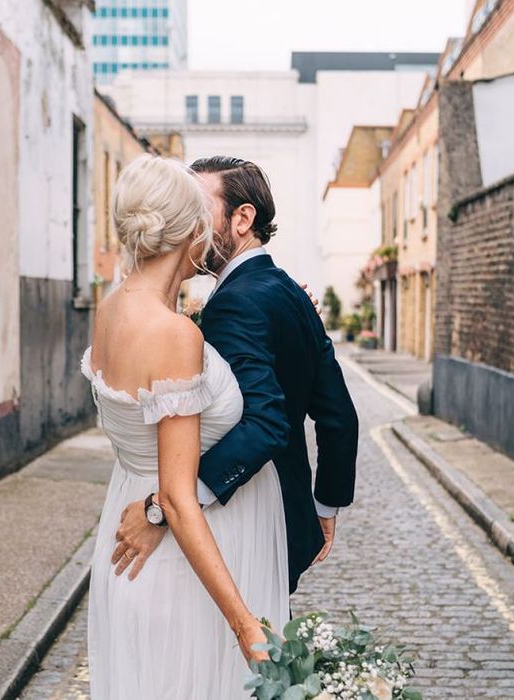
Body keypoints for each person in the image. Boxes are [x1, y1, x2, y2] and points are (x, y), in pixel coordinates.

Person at [82, 155, 289, 699]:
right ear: (193, 230)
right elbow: (176, 497)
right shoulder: (175, 335)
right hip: (176, 570)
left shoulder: (110, 310)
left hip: (124, 544)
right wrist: (246, 624)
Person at [112, 156, 358, 604]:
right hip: (290, 518)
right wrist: (325, 504)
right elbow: (339, 415)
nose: (187, 221)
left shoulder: (236, 303)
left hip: (241, 523)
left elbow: (265, 422)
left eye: (197, 206)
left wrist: (164, 508)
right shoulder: (286, 291)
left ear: (243, 218)